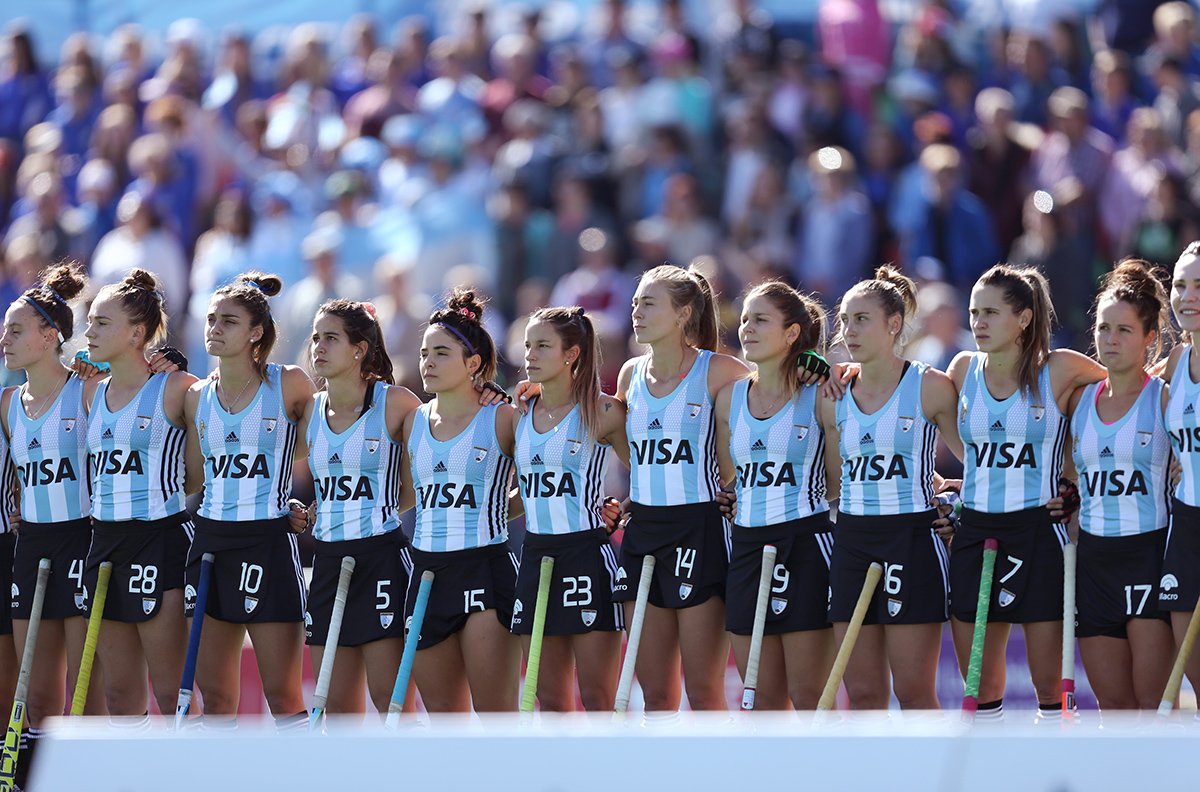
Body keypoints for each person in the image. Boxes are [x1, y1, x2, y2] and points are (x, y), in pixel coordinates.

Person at [946, 264, 1105, 723]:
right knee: (980, 690)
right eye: (974, 311)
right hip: (975, 535)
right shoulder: (961, 370)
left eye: (991, 313)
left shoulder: (1061, 368)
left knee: (1050, 689)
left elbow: (1128, 390)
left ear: (1024, 319)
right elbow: (906, 393)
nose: (977, 322)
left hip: (1039, 533)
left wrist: (1073, 477)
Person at [817, 266, 962, 710]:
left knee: (914, 694)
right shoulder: (833, 391)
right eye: (844, 319)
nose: (848, 330)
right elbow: (829, 479)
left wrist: (957, 505)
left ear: (894, 324)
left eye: (861, 319)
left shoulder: (931, 386)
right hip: (852, 542)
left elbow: (980, 464)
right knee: (862, 695)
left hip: (912, 541)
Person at [614, 264, 750, 716]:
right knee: (655, 698)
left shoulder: (721, 371)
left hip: (701, 531)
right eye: (635, 302)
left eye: (648, 303)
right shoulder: (630, 374)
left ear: (683, 314)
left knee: (704, 693)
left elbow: (775, 414)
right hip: (642, 532)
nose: (636, 311)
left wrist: (818, 369)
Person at [182, 273, 313, 732]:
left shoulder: (291, 384)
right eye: (212, 319)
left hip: (269, 544)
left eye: (229, 321)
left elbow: (336, 443)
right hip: (210, 545)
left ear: (256, 332)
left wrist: (308, 507)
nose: (215, 328)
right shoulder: (196, 394)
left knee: (283, 696)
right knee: (216, 697)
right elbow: (192, 478)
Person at [81, 269, 200, 724]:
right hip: (105, 543)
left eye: (101, 323)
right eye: (89, 321)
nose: (89, 331)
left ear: (137, 333)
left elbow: (197, 474)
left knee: (173, 697)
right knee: (119, 698)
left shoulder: (176, 388)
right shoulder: (90, 390)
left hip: (161, 539)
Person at [0, 264, 103, 787]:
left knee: (88, 692)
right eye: (4, 328)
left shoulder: (86, 392)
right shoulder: (8, 404)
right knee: (36, 697)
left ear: (50, 336)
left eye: (16, 329)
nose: (5, 339)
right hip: (30, 545)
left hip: (82, 542)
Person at [714, 281, 834, 710]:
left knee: (808, 698)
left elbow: (837, 481)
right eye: (744, 318)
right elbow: (727, 474)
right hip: (746, 548)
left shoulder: (820, 392)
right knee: (760, 703)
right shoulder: (729, 398)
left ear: (792, 334)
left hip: (805, 545)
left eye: (760, 319)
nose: (747, 327)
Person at [401, 290, 521, 713]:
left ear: (473, 364)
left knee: (496, 718)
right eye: (423, 353)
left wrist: (492, 512)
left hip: (485, 567)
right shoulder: (411, 419)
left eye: (441, 353)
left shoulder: (502, 416)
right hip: (426, 572)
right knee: (443, 725)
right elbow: (400, 497)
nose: (428, 362)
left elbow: (538, 484)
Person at [299, 299, 416, 718]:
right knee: (336, 711)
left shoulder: (397, 403)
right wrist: (309, 512)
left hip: (380, 558)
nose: (319, 347)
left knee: (392, 704)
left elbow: (420, 480)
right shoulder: (310, 409)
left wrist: (371, 509)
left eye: (331, 338)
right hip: (329, 561)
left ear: (359, 348)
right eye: (316, 337)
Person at [1067, 259, 1175, 713]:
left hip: (1148, 557)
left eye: (1124, 331)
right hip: (1094, 562)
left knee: (1150, 706)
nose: (1110, 340)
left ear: (1150, 338)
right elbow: (1069, 476)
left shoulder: (1164, 396)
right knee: (1112, 707)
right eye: (1104, 328)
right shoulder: (1077, 400)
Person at [511, 306, 629, 711]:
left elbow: (651, 472)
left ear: (571, 354)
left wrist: (623, 507)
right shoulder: (517, 414)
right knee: (549, 701)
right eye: (528, 345)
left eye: (543, 345)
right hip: (535, 556)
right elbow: (520, 496)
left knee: (598, 699)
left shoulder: (604, 411)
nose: (530, 354)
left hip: (587, 558)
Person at [1160, 241, 1200, 719]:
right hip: (1186, 523)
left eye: (1199, 286)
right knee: (1188, 656)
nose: (1187, 296)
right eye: (1181, 285)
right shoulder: (1174, 364)